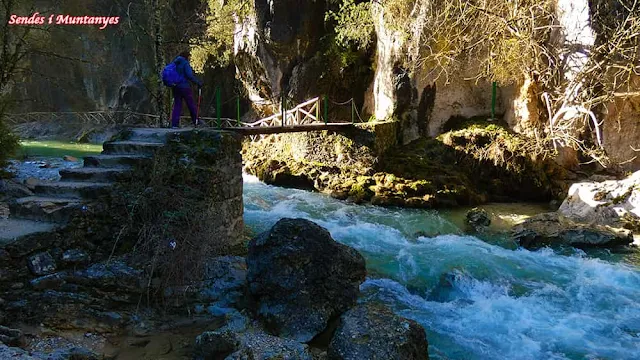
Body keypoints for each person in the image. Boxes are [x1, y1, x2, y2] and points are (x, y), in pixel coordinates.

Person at [170, 51, 203, 128]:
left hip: (175, 87)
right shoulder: (185, 63)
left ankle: (174, 124)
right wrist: (197, 82)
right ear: (186, 56)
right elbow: (189, 75)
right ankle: (196, 121)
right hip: (184, 87)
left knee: (177, 105)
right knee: (190, 103)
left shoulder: (175, 63)